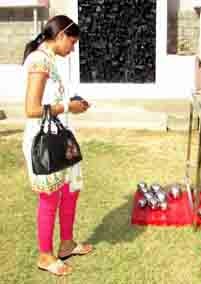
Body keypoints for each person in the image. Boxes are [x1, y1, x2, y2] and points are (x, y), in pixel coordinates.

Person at [22, 15, 92, 276]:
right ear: (61, 35)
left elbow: (53, 99)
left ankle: (66, 244)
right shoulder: (39, 60)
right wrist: (66, 107)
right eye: (72, 42)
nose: (72, 49)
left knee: (70, 190)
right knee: (50, 197)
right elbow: (31, 109)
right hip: (44, 141)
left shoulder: (49, 59)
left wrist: (73, 103)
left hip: (60, 136)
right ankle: (44, 255)